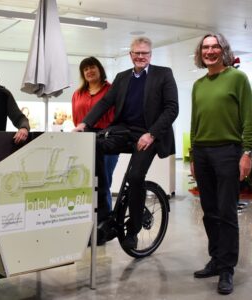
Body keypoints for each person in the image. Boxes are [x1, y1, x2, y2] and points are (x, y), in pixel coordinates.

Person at [73, 37, 178, 249]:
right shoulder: (122, 78)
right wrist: (85, 123)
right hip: (124, 132)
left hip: (149, 135)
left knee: (136, 176)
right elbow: (105, 103)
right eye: (136, 53)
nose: (140, 56)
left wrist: (151, 134)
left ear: (151, 55)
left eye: (144, 53)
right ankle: (106, 215)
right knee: (93, 145)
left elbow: (172, 109)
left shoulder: (163, 74)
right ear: (130, 55)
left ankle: (133, 230)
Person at [190, 33, 252, 295]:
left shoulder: (238, 79)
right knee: (210, 211)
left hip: (228, 151)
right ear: (200, 53)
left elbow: (249, 117)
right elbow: (195, 121)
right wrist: (193, 154)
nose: (210, 51)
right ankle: (216, 259)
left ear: (223, 50)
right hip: (202, 152)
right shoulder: (198, 84)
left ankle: (227, 268)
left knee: (226, 212)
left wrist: (247, 152)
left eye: (215, 46)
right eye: (206, 47)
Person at [72, 56, 118, 211]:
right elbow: (76, 119)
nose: (89, 71)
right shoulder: (77, 94)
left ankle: (106, 221)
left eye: (92, 67)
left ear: (100, 69)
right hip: (84, 140)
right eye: (85, 69)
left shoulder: (111, 90)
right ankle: (89, 221)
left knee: (103, 182)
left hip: (107, 138)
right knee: (86, 182)